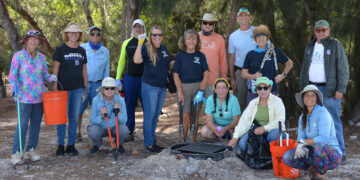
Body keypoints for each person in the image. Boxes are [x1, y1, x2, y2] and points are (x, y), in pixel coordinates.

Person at [299, 19, 349, 163]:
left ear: (329, 30)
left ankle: (340, 153)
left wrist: (341, 88)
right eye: (318, 30)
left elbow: (343, 69)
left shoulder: (335, 45)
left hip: (329, 89)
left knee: (333, 120)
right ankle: (318, 153)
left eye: (324, 30)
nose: (321, 33)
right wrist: (303, 86)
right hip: (312, 89)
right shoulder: (310, 46)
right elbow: (303, 69)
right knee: (312, 120)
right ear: (314, 31)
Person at [9, 30, 57, 165]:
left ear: (39, 42)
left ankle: (30, 150)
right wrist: (14, 89)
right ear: (26, 41)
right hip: (23, 97)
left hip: (39, 97)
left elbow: (44, 75)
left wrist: (51, 77)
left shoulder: (41, 57)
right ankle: (16, 153)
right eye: (31, 39)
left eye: (36, 39)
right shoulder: (18, 56)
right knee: (22, 125)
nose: (34, 41)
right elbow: (12, 75)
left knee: (35, 125)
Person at [283, 85, 342, 179]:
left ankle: (321, 176)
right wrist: (301, 147)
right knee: (287, 156)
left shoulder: (322, 113)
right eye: (306, 95)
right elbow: (301, 139)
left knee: (319, 146)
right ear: (303, 99)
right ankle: (313, 169)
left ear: (317, 98)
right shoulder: (303, 117)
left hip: (332, 155)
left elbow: (323, 138)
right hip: (314, 153)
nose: (309, 98)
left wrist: (305, 142)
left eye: (312, 95)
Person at [134, 26, 171, 153]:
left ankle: (151, 140)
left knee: (156, 115)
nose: (157, 37)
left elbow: (166, 65)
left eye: (159, 35)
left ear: (162, 36)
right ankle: (149, 144)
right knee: (149, 115)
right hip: (150, 86)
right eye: (154, 35)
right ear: (150, 36)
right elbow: (137, 60)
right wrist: (139, 43)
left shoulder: (164, 48)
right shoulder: (145, 47)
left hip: (161, 87)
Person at [52, 22, 87, 156]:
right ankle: (60, 145)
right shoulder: (60, 50)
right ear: (67, 34)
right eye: (71, 32)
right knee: (62, 118)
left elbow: (84, 70)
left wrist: (85, 87)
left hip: (78, 89)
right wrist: (54, 88)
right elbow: (55, 69)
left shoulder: (82, 50)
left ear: (79, 35)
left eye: (76, 32)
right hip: (62, 89)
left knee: (73, 117)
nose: (74, 35)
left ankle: (71, 145)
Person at [228, 77, 285, 152]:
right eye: (259, 88)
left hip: (272, 131)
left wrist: (264, 128)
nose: (262, 90)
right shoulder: (253, 103)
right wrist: (235, 137)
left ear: (270, 88)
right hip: (256, 131)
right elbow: (244, 121)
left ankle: (271, 154)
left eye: (265, 88)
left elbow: (280, 121)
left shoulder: (277, 101)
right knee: (242, 145)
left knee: (274, 136)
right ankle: (261, 151)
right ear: (256, 89)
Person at [242, 24, 293, 104]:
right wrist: (253, 76)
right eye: (258, 37)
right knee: (253, 115)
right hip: (254, 91)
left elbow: (289, 63)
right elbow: (243, 74)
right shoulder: (250, 54)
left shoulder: (275, 52)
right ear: (255, 39)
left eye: (263, 37)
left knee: (271, 115)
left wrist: (283, 76)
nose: (261, 39)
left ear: (267, 38)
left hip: (271, 91)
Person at [174, 29, 209, 142]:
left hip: (198, 88)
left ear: (197, 41)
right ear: (184, 41)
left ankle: (192, 140)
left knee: (194, 116)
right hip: (184, 87)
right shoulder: (180, 56)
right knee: (185, 116)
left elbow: (206, 74)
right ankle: (184, 140)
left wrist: (201, 90)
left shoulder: (201, 56)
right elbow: (176, 75)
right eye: (189, 38)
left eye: (194, 38)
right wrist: (180, 91)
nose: (191, 41)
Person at [77, 26, 110, 142]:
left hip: (98, 84)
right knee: (79, 109)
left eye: (97, 34)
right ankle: (77, 132)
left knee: (98, 109)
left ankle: (97, 134)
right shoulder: (82, 48)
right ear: (89, 36)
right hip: (83, 85)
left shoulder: (105, 51)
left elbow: (106, 69)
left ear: (100, 36)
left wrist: (106, 86)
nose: (95, 36)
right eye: (92, 34)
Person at [116, 19, 147, 141]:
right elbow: (122, 61)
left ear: (144, 29)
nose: (138, 29)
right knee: (129, 106)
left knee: (147, 107)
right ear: (132, 28)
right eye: (136, 26)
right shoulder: (127, 43)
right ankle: (129, 132)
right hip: (130, 78)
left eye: (141, 27)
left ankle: (148, 132)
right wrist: (118, 78)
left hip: (145, 80)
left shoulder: (149, 42)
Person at [87, 77, 129, 154]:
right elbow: (92, 120)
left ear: (115, 89)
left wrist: (119, 112)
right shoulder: (96, 100)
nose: (109, 90)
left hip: (115, 127)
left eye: (112, 88)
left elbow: (124, 120)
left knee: (124, 130)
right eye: (106, 88)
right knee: (93, 131)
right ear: (102, 89)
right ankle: (97, 144)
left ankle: (118, 144)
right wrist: (101, 116)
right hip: (101, 127)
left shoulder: (120, 100)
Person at [228, 7, 256, 112]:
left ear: (249, 17)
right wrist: (232, 78)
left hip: (256, 73)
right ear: (237, 18)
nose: (243, 17)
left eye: (246, 15)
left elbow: (267, 50)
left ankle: (254, 127)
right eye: (241, 15)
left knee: (256, 101)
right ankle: (239, 127)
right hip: (239, 73)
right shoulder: (233, 36)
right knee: (240, 102)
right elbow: (231, 58)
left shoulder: (257, 31)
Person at [198, 13, 227, 98]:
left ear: (214, 25)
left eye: (210, 23)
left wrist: (224, 78)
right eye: (205, 22)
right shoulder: (196, 36)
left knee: (213, 109)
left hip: (213, 81)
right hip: (197, 80)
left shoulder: (219, 38)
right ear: (202, 23)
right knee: (196, 109)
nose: (207, 25)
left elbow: (223, 60)